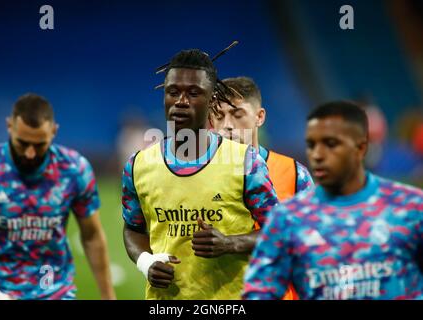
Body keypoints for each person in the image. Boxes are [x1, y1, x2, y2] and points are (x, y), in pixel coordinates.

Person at [122, 48, 279, 299]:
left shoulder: (246, 162)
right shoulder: (138, 165)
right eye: (173, 92)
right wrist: (145, 261)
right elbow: (133, 228)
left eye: (193, 93)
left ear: (211, 100)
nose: (181, 101)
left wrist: (231, 243)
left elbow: (279, 232)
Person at [243, 100, 423, 300]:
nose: (318, 155)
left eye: (331, 143)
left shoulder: (410, 208)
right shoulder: (287, 219)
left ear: (361, 147)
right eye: (312, 144)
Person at [0, 93, 116, 300]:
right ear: (9, 127)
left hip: (54, 291)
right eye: (22, 143)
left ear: (54, 132)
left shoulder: (74, 168)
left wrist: (108, 297)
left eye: (39, 145)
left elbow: (92, 236)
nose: (30, 153)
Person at [209, 76, 314, 299]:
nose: (227, 125)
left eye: (237, 114)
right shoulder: (196, 175)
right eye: (219, 116)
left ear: (259, 117)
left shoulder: (294, 175)